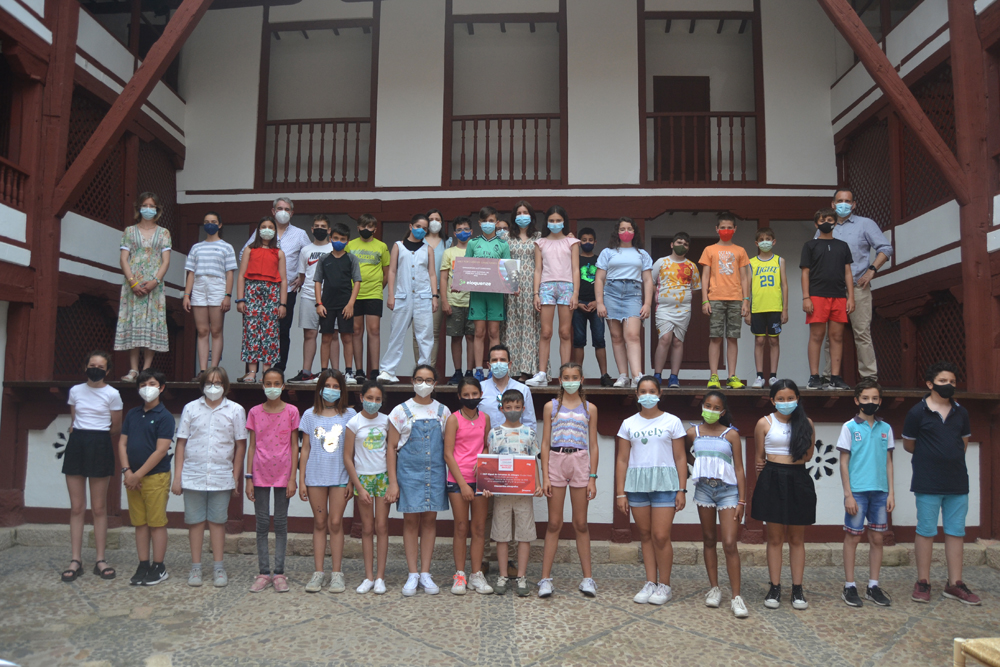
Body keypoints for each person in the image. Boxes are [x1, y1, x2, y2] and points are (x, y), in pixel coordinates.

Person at [904, 361, 980, 605]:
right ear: (930, 384)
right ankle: (923, 581)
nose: (948, 385)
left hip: (957, 482)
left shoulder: (961, 412)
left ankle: (955, 583)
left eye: (952, 381)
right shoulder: (917, 412)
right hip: (927, 481)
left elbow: (963, 444)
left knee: (956, 532)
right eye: (943, 381)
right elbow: (909, 445)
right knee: (926, 530)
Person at [172, 367, 247, 588]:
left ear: (225, 386)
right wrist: (177, 477)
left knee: (217, 522)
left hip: (221, 476)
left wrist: (235, 477)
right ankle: (196, 567)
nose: (213, 387)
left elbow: (240, 446)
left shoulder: (236, 410)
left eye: (218, 383)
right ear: (202, 385)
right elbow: (181, 443)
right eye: (209, 383)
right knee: (195, 522)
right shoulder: (190, 408)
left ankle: (218, 567)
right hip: (193, 474)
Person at [615, 376, 687, 607]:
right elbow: (622, 459)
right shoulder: (628, 423)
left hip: (665, 484)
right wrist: (620, 492)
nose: (648, 395)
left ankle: (665, 585)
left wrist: (682, 489)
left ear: (659, 394)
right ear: (637, 395)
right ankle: (650, 582)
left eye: (652, 391)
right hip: (637, 485)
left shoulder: (672, 421)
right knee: (645, 535)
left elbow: (680, 457)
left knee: (661, 536)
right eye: (643, 391)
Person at [750, 379, 817, 611]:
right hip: (772, 478)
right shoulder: (764, 423)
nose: (786, 402)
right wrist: (765, 484)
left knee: (797, 538)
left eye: (790, 398)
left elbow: (807, 455)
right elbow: (759, 457)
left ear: (797, 399)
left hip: (798, 478)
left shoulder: (806, 423)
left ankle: (797, 588)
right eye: (780, 398)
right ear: (772, 400)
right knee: (775, 538)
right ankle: (775, 587)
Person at [388, 364, 451, 596]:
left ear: (435, 383)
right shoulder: (399, 411)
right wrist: (393, 482)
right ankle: (412, 573)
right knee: (410, 521)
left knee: (430, 520)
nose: (423, 384)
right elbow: (391, 448)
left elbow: (448, 446)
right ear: (412, 381)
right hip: (409, 474)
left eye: (428, 380)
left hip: (435, 473)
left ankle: (425, 572)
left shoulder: (443, 411)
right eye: (419, 379)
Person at [538, 362, 599, 598]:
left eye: (575, 377)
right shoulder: (551, 406)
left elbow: (593, 445)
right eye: (566, 377)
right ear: (560, 380)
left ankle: (588, 578)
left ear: (581, 380)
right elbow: (545, 443)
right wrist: (545, 476)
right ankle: (545, 579)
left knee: (581, 523)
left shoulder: (589, 408)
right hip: (556, 460)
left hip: (580, 462)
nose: (570, 381)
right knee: (554, 523)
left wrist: (592, 477)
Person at [61, 351, 123, 583]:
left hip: (100, 443)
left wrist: (96, 435)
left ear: (107, 371)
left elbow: (116, 426)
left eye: (101, 366)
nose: (96, 369)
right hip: (77, 443)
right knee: (77, 507)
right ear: (85, 366)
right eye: (92, 365)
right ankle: (75, 559)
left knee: (99, 507)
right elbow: (74, 420)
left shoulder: (112, 394)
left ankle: (100, 559)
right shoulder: (75, 391)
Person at [686, 391, 748, 618]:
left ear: (722, 412)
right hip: (704, 489)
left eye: (716, 407)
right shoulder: (693, 432)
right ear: (702, 406)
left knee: (730, 542)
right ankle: (714, 588)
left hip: (728, 491)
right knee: (709, 539)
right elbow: (682, 454)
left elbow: (739, 468)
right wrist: (701, 465)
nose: (711, 410)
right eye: (708, 406)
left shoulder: (731, 434)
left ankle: (736, 597)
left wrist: (742, 500)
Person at [822, 189, 893, 382]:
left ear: (854, 205)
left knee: (862, 333)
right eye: (840, 201)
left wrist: (872, 270)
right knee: (831, 335)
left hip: (858, 286)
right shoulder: (825, 225)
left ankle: (869, 377)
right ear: (833, 204)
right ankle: (829, 376)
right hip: (832, 289)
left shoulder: (865, 224)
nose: (843, 204)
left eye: (847, 201)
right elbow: (816, 253)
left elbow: (885, 248)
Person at [299, 370, 357, 594]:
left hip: (340, 477)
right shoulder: (309, 415)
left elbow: (353, 451)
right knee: (320, 522)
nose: (331, 390)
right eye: (327, 386)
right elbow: (305, 449)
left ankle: (337, 573)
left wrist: (351, 480)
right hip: (315, 477)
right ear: (319, 388)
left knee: (335, 523)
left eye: (336, 386)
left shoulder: (349, 415)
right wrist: (301, 480)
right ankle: (318, 572)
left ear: (342, 390)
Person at [837, 378, 894, 608]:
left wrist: (891, 493)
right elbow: (843, 462)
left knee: (877, 538)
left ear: (880, 401)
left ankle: (873, 585)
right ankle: (849, 586)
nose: (870, 402)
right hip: (858, 492)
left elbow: (889, 462)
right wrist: (848, 494)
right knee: (853, 537)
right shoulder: (849, 427)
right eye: (865, 398)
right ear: (857, 400)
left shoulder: (886, 428)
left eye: (875, 398)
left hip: (880, 492)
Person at [244, 369, 300, 594]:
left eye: (277, 383)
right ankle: (263, 572)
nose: (273, 387)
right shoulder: (254, 412)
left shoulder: (292, 411)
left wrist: (293, 478)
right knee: (261, 524)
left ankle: (279, 572)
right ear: (262, 385)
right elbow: (251, 446)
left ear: (283, 386)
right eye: (268, 383)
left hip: (283, 474)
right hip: (259, 472)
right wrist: (248, 478)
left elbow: (295, 445)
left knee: (280, 523)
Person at [241, 197, 311, 372]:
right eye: (279, 208)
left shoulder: (300, 234)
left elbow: (310, 257)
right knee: (255, 329)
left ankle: (278, 370)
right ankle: (253, 371)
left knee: (282, 331)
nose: (283, 212)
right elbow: (244, 253)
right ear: (273, 211)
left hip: (287, 290)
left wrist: (302, 277)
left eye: (287, 209)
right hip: (259, 291)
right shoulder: (263, 231)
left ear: (292, 213)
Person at [483, 389, 541, 597]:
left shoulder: (530, 433)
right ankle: (503, 575)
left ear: (523, 408)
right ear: (502, 409)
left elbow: (534, 461)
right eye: (509, 407)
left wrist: (538, 484)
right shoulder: (494, 433)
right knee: (501, 535)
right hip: (501, 494)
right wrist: (487, 485)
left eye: (517, 407)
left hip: (524, 493)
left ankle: (522, 576)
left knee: (525, 535)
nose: (513, 410)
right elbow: (489, 462)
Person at [119, 368, 174, 586]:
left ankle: (159, 567)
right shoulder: (132, 414)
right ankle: (143, 564)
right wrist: (127, 471)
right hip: (132, 478)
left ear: (161, 388)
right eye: (142, 385)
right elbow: (122, 443)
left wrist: (138, 475)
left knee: (156, 523)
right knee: (140, 523)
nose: (147, 389)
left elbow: (161, 450)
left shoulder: (165, 417)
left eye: (152, 384)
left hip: (155, 477)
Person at [443, 377, 493, 595]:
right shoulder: (453, 419)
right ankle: (460, 575)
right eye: (466, 394)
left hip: (480, 481)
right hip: (458, 481)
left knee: (479, 528)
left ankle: (476, 575)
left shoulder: (485, 418)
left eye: (474, 394)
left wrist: (484, 466)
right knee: (461, 527)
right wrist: (463, 485)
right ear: (459, 396)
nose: (471, 398)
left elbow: (487, 446)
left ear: (480, 394)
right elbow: (448, 453)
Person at [115, 192, 172, 381]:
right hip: (133, 282)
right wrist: (133, 282)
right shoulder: (129, 231)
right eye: (145, 205)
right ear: (139, 208)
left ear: (157, 209)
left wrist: (155, 281)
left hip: (154, 284)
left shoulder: (164, 233)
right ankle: (133, 369)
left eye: (152, 206)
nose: (148, 209)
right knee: (134, 321)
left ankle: (146, 369)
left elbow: (166, 261)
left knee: (151, 322)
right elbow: (124, 259)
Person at [343, 381, 392, 595]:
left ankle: (380, 577)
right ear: (361, 397)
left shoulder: (387, 421)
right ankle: (368, 577)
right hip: (362, 478)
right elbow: (347, 457)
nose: (373, 402)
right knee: (367, 528)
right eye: (369, 398)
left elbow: (392, 451)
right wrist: (357, 486)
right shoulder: (354, 422)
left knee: (381, 526)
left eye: (377, 399)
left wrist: (393, 482)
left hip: (382, 477)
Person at [378, 214, 439, 384]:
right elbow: (392, 271)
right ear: (411, 226)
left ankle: (424, 371)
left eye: (425, 228)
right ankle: (388, 370)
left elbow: (432, 274)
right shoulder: (398, 246)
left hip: (423, 297)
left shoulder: (428, 249)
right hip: (402, 296)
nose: (421, 230)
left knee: (425, 336)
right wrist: (391, 294)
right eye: (418, 226)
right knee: (396, 334)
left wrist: (434, 296)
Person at [595, 217, 654, 388]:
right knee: (616, 337)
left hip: (633, 294)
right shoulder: (608, 252)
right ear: (617, 232)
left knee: (633, 335)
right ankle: (623, 376)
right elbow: (599, 278)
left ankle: (637, 375)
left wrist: (647, 303)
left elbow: (648, 280)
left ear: (634, 232)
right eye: (622, 229)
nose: (626, 232)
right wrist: (600, 302)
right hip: (611, 293)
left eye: (629, 229)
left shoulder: (642, 254)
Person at [801, 209, 855, 390]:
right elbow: (805, 273)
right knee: (817, 335)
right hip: (817, 295)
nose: (826, 222)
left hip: (839, 296)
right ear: (816, 224)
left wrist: (850, 297)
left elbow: (848, 272)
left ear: (835, 223)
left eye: (830, 219)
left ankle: (835, 377)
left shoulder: (843, 246)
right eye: (823, 219)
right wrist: (806, 297)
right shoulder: (810, 245)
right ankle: (814, 377)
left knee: (837, 336)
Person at [527, 205, 580, 387]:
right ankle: (542, 374)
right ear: (547, 222)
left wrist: (575, 293)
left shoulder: (572, 242)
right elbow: (538, 269)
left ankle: (566, 374)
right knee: (546, 332)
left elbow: (575, 269)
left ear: (564, 222)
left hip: (567, 287)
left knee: (565, 333)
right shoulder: (540, 243)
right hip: (546, 287)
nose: (555, 223)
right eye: (552, 220)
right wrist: (535, 293)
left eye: (558, 220)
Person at [699, 212, 750, 389]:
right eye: (723, 227)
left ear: (735, 229)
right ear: (717, 229)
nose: (726, 230)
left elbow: (745, 278)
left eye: (729, 227)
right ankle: (714, 376)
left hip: (736, 299)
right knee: (715, 337)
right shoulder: (709, 250)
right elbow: (705, 277)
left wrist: (746, 300)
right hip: (715, 299)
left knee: (732, 338)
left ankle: (731, 376)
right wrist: (705, 300)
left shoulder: (740, 250)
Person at [183, 211, 237, 378]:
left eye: (213, 221)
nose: (210, 224)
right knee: (202, 330)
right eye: (206, 221)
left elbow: (230, 274)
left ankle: (214, 370)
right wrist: (187, 294)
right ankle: (203, 370)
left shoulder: (226, 247)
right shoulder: (196, 247)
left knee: (216, 330)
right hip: (199, 286)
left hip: (217, 287)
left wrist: (227, 295)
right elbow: (191, 273)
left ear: (220, 225)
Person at [236, 216, 288, 383]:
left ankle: (267, 371)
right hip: (252, 293)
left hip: (272, 294)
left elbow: (284, 280)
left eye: (271, 227)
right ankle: (251, 372)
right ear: (258, 230)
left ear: (275, 231)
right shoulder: (249, 250)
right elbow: (241, 276)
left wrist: (283, 304)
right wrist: (240, 299)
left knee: (270, 332)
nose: (267, 230)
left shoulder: (279, 253)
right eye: (264, 226)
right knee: (251, 330)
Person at [651, 231, 701, 388]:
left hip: (683, 309)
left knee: (678, 341)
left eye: (685, 244)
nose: (682, 246)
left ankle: (674, 377)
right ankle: (657, 376)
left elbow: (696, 287)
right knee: (665, 339)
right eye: (679, 243)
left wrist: (683, 296)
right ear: (672, 244)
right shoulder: (661, 262)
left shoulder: (691, 266)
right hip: (663, 308)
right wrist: (660, 295)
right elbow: (650, 281)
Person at [288, 215, 333, 384]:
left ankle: (330, 372)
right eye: (317, 226)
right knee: (309, 334)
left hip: (330, 296)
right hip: (308, 295)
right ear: (312, 230)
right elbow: (302, 274)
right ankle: (306, 372)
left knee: (331, 335)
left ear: (329, 230)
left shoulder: (333, 248)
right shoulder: (305, 250)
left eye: (323, 226)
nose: (320, 229)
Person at [315, 221, 362, 380]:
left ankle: (348, 372)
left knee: (347, 337)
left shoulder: (351, 259)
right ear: (330, 238)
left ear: (347, 241)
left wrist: (351, 304)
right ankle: (323, 371)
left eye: (342, 239)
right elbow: (317, 281)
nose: (339, 241)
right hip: (327, 304)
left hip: (345, 304)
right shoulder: (324, 259)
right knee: (326, 337)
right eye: (335, 238)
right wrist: (319, 303)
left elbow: (357, 282)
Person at [467, 206, 510, 381]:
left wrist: (512, 286)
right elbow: (466, 268)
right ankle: (478, 369)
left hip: (496, 294)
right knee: (479, 332)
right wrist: (460, 283)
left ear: (496, 223)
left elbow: (508, 270)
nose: (488, 224)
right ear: (479, 223)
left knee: (494, 332)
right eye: (485, 221)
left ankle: (493, 367)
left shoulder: (503, 244)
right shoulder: (473, 243)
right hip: (477, 293)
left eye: (491, 221)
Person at [347, 213, 391, 383]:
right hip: (354, 295)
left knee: (374, 331)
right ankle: (359, 370)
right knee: (356, 331)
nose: (366, 229)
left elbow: (386, 273)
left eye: (370, 226)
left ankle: (374, 370)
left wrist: (378, 288)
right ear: (358, 227)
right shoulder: (350, 245)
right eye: (363, 226)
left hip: (374, 294)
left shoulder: (381, 246)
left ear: (375, 229)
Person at [504, 201, 542, 382]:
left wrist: (536, 292)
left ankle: (529, 369)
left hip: (533, 286)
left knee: (530, 326)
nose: (522, 216)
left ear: (531, 216)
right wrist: (512, 284)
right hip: (512, 288)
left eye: (525, 212)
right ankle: (513, 370)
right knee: (511, 326)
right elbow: (504, 262)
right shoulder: (506, 237)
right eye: (518, 213)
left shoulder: (539, 237)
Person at [746, 227, 787, 388]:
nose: (765, 242)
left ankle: (773, 376)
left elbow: (784, 285)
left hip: (775, 307)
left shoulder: (779, 261)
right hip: (757, 307)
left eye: (768, 239)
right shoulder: (751, 262)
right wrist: (747, 308)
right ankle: (759, 376)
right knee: (759, 340)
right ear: (756, 243)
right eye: (762, 240)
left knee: (774, 340)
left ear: (773, 241)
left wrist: (785, 309)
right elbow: (747, 287)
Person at [572, 227, 612, 386]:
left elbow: (606, 282)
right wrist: (577, 303)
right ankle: (577, 376)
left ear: (595, 242)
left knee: (600, 340)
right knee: (578, 340)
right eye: (584, 240)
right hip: (578, 304)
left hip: (597, 305)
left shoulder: (600, 261)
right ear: (579, 242)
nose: (587, 243)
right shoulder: (575, 260)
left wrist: (598, 302)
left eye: (590, 240)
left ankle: (604, 375)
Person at [441, 216, 477, 384]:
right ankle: (457, 372)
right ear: (455, 233)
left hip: (474, 301)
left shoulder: (476, 251)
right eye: (459, 230)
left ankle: (469, 371)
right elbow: (443, 278)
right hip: (454, 301)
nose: (463, 232)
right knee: (456, 338)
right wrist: (444, 301)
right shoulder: (449, 253)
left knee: (471, 337)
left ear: (471, 231)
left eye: (466, 229)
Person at [413, 209, 447, 366]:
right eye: (431, 219)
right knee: (417, 334)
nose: (434, 222)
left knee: (433, 333)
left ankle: (430, 369)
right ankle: (419, 369)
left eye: (437, 219)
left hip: (438, 292)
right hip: (419, 292)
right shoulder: (418, 242)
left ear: (442, 222)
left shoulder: (448, 243)